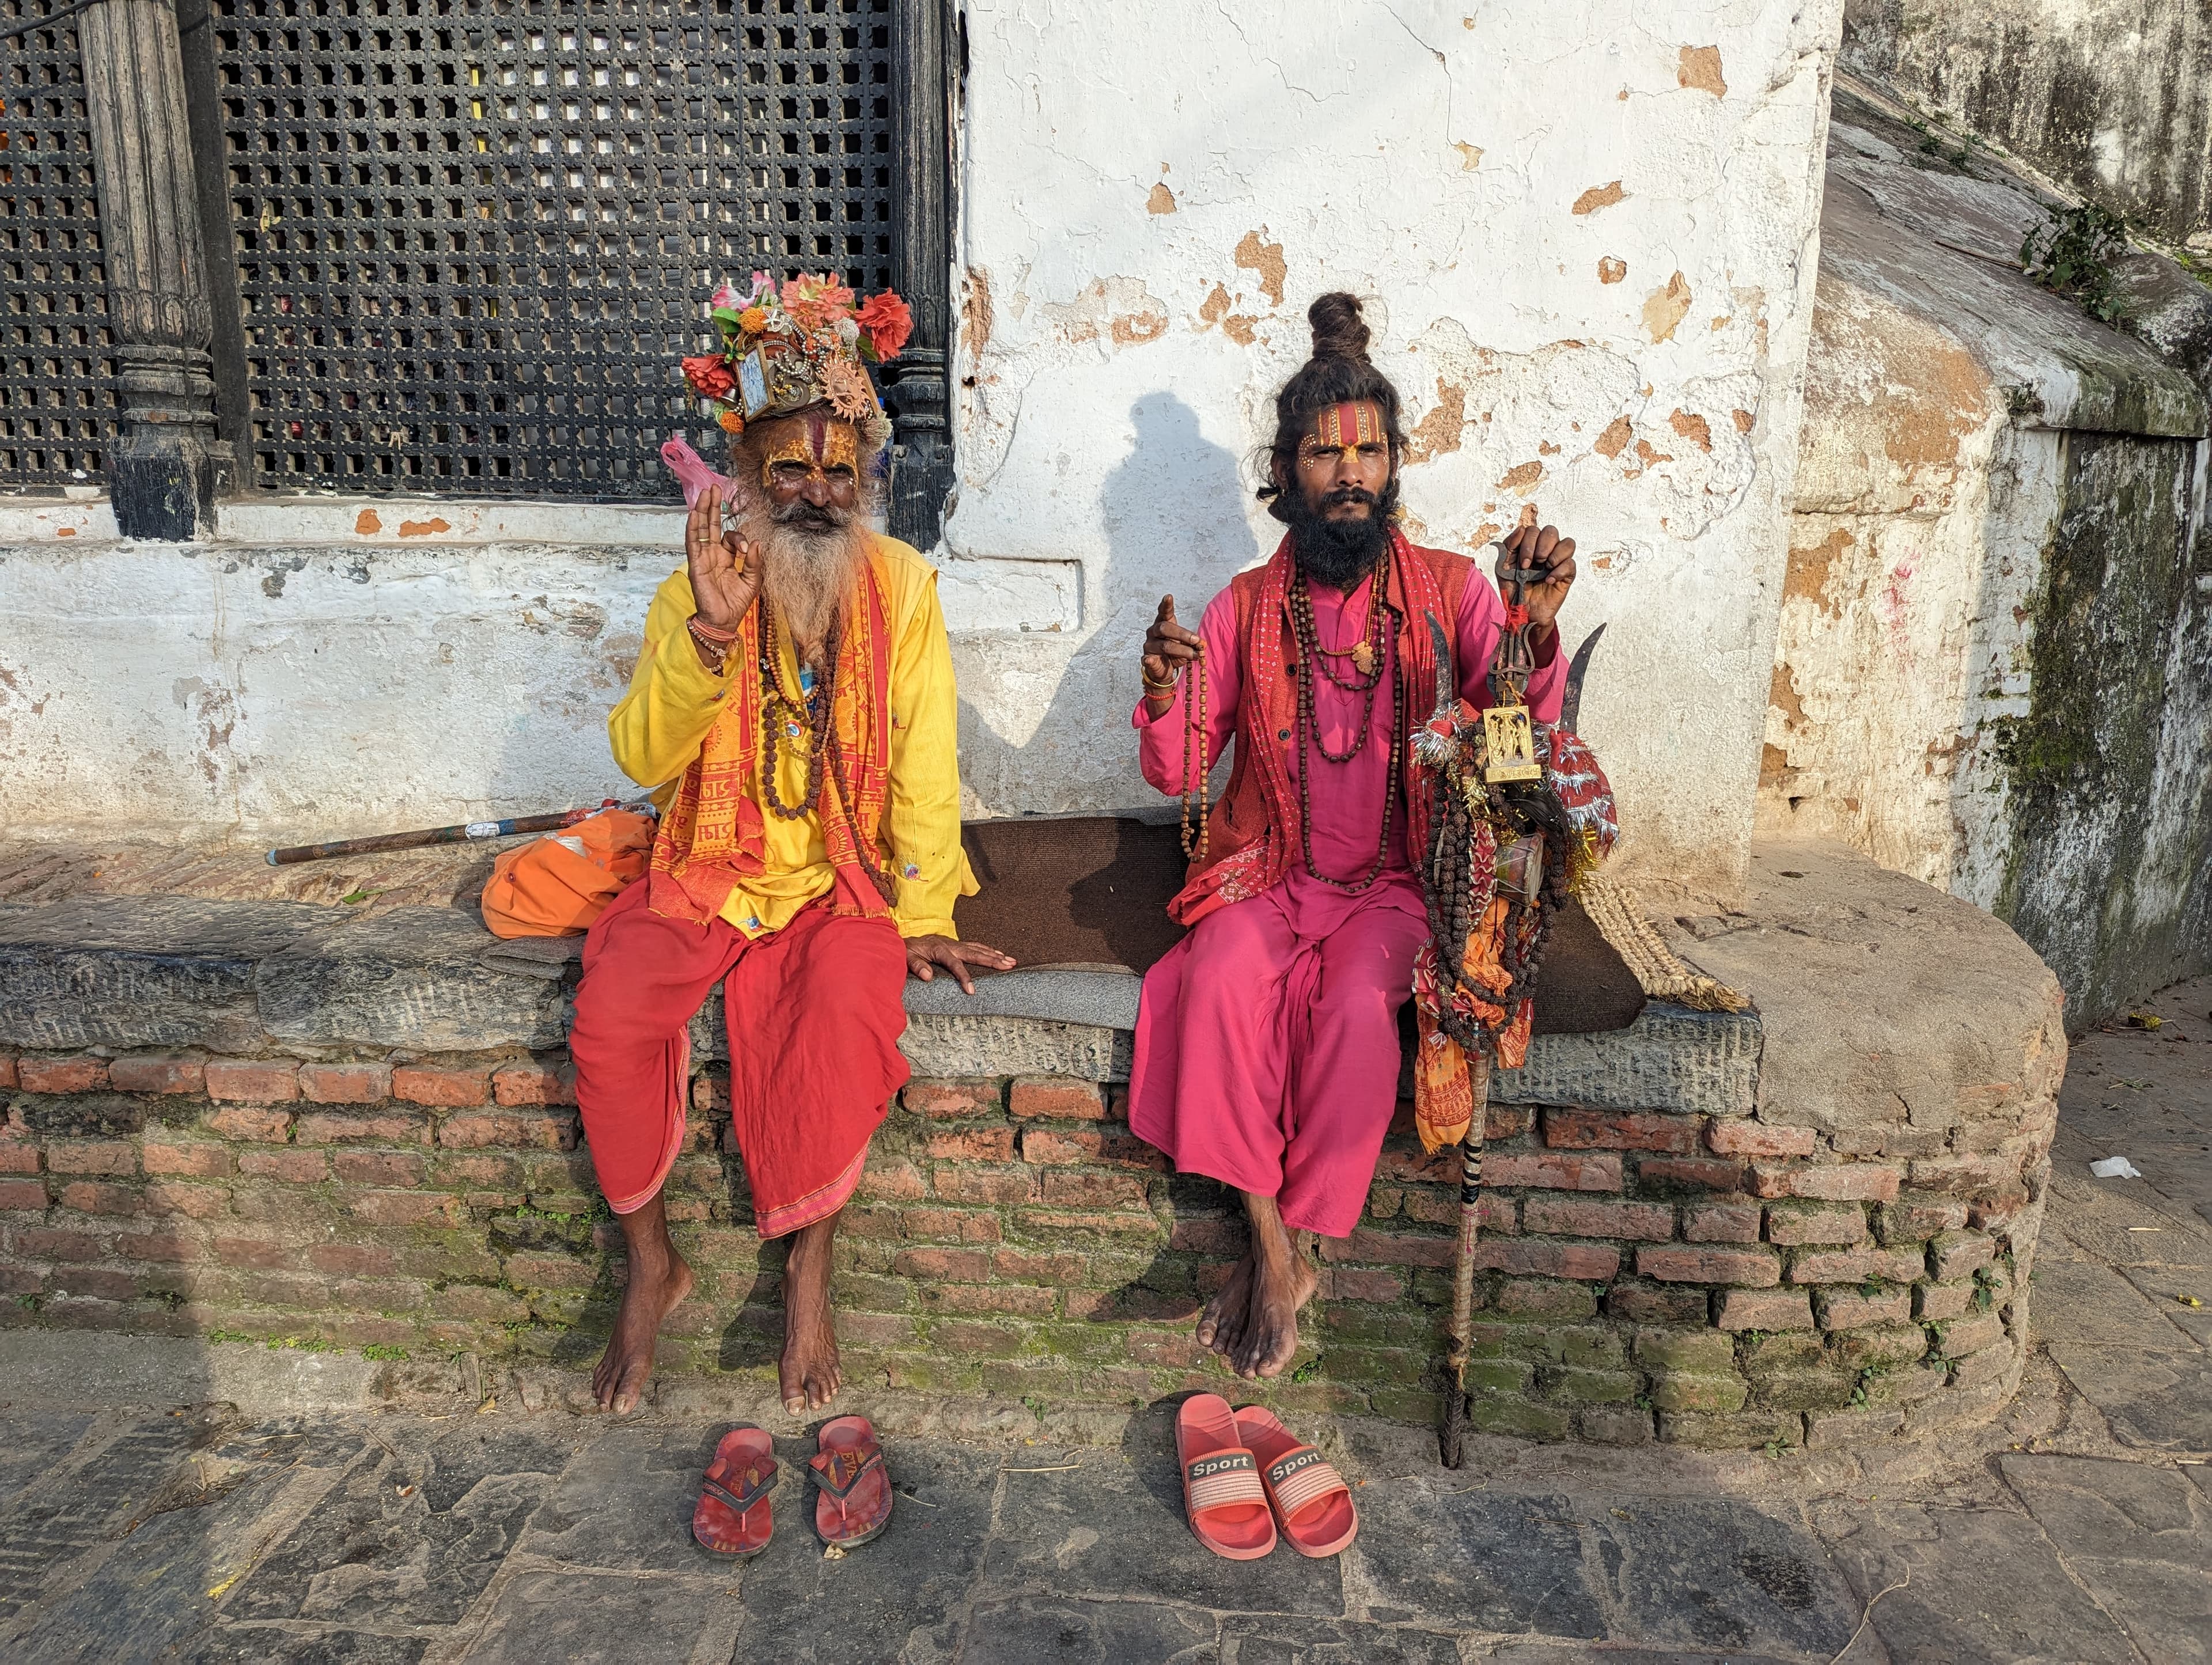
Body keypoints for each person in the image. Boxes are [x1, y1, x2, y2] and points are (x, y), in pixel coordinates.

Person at [570, 273, 1013, 1417]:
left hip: (836, 878)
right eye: (789, 470)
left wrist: (921, 915)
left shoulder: (904, 587)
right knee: (611, 1015)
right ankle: (651, 1270)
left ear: (864, 477)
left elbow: (923, 757)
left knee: (846, 1014)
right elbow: (642, 756)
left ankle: (810, 1270)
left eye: (838, 470)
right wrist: (712, 631)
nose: (815, 493)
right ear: (752, 481)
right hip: (710, 873)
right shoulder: (710, 577)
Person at [1128, 293, 1578, 1379]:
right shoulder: (1242, 607)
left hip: (1397, 881)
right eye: (1325, 456)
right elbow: (1182, 768)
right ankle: (1276, 1249)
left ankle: (1287, 1247)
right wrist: (1162, 694)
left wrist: (1537, 627)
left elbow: (1523, 729)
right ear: (1287, 474)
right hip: (1271, 872)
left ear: (1393, 467)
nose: (1350, 475)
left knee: (1361, 1012)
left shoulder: (1450, 593)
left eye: (1370, 452)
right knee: (1222, 976)